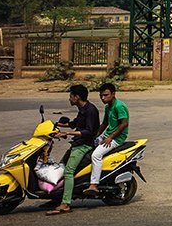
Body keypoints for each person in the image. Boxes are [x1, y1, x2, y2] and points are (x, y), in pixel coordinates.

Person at [45, 83, 100, 215]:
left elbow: (89, 131)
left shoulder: (90, 110)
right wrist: (55, 124)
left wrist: (67, 133)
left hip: (84, 145)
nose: (69, 99)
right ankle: (56, 198)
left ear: (77, 97)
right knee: (61, 167)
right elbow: (75, 123)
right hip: (77, 143)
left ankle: (66, 204)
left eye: (70, 96)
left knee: (68, 172)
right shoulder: (82, 109)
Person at [84, 82, 127, 197]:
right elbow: (105, 123)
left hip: (117, 138)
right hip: (107, 135)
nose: (103, 98)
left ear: (113, 94)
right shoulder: (108, 107)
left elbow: (124, 124)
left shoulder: (119, 106)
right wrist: (96, 135)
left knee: (96, 155)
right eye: (101, 96)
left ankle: (94, 184)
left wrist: (110, 137)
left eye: (106, 95)